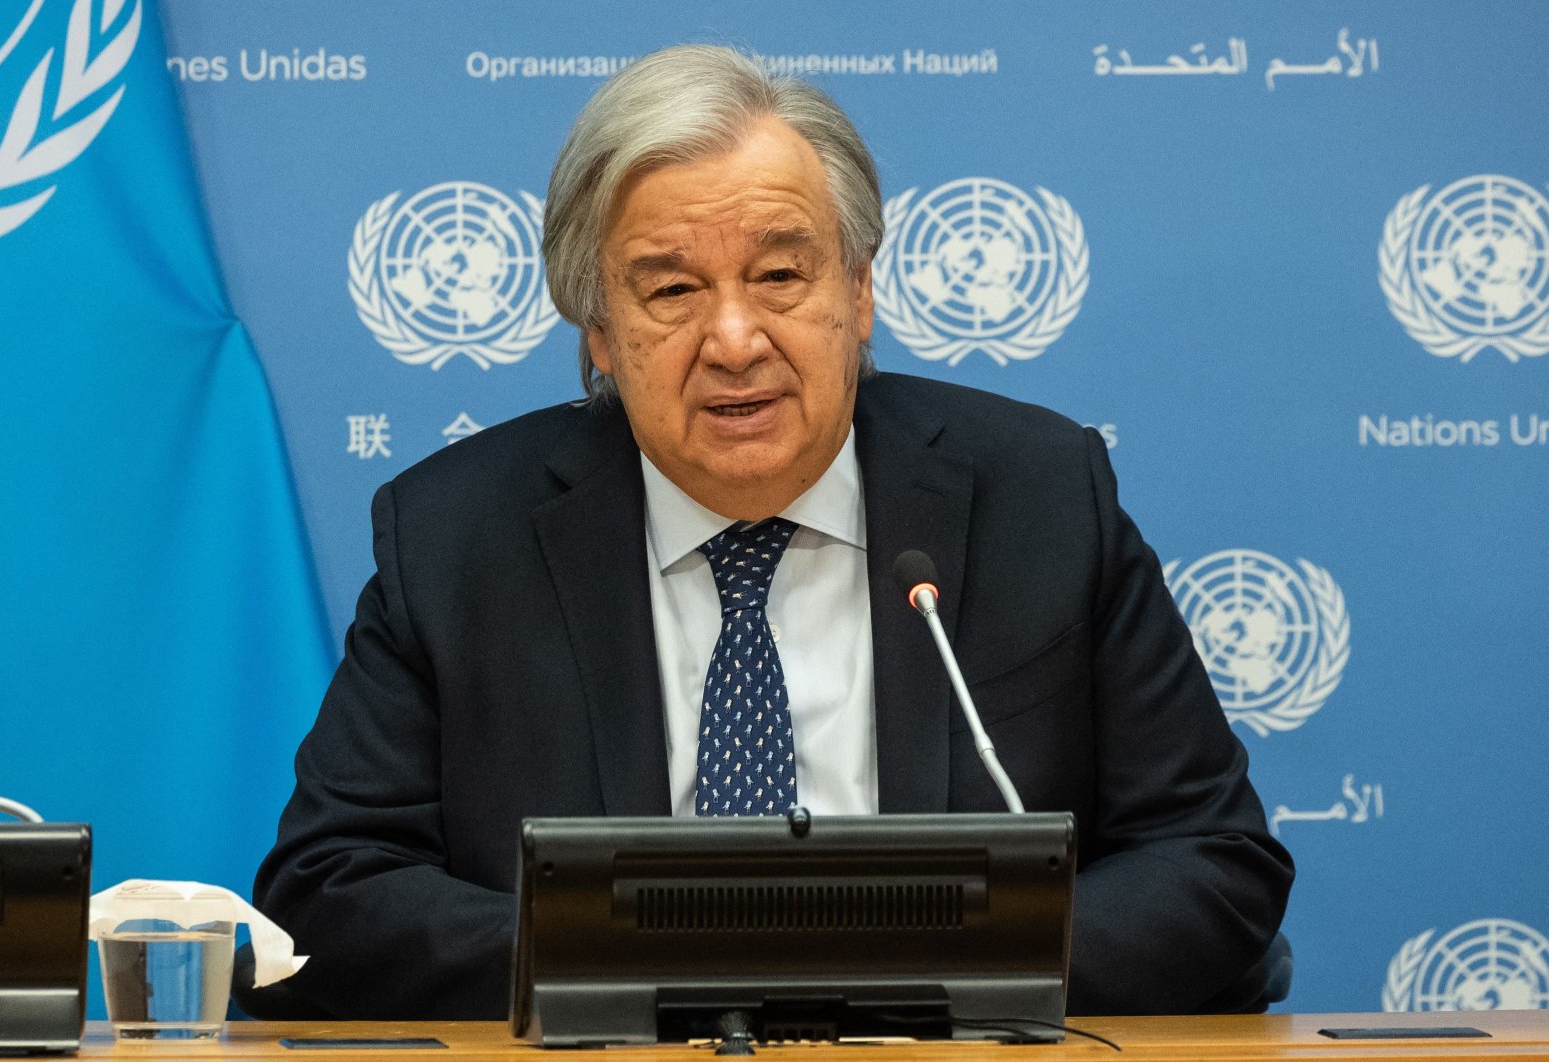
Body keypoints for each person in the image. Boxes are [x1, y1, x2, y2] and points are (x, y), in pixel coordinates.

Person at [248, 43, 1292, 1020]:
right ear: (600, 336)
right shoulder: (459, 535)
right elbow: (327, 898)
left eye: (781, 276)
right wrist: (665, 962)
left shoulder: (1040, 497)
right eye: (671, 290)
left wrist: (916, 969)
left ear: (859, 290)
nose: (735, 339)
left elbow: (1213, 864)